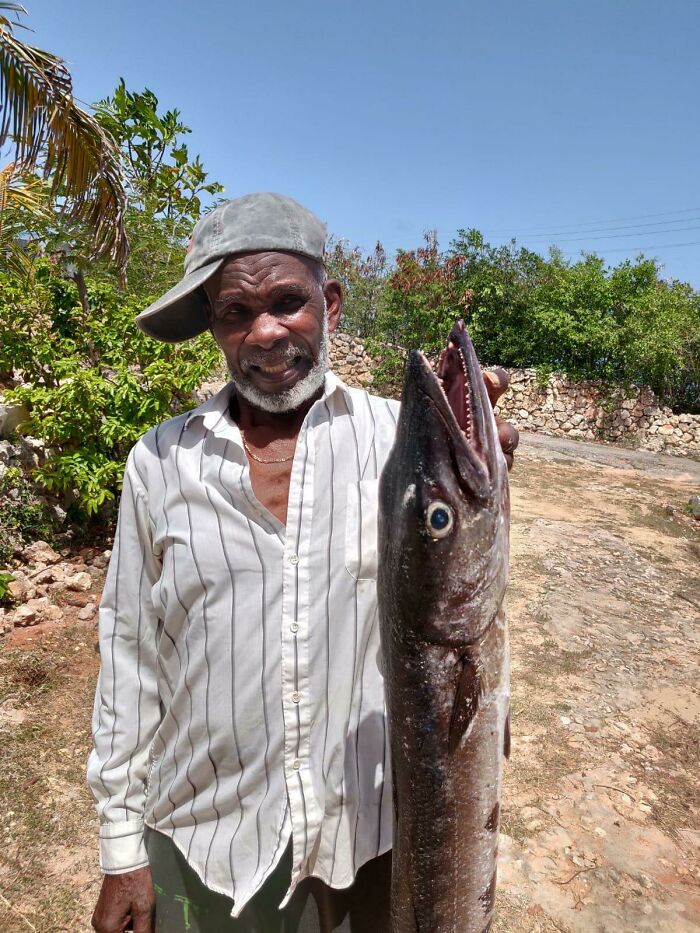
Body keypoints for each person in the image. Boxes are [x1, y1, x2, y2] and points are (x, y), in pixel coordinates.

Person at [88, 192, 519, 933]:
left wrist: (486, 460)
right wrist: (120, 846)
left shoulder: (397, 442)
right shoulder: (159, 461)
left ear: (332, 303)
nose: (265, 332)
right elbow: (129, 654)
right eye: (234, 312)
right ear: (215, 328)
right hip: (207, 840)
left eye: (289, 301)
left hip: (368, 838)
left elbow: (455, 560)